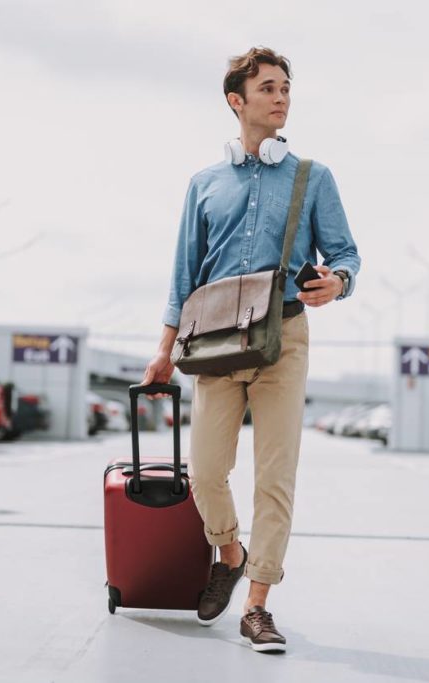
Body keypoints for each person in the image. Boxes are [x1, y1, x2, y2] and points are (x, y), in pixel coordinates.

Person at [141, 46, 360, 654]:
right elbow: (183, 277)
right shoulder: (204, 184)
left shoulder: (313, 178)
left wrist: (335, 283)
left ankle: (258, 604)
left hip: (283, 336)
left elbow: (346, 255)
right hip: (212, 341)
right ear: (237, 101)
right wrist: (163, 349)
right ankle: (229, 552)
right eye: (267, 87)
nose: (281, 96)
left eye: (285, 86)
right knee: (207, 471)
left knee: (275, 476)